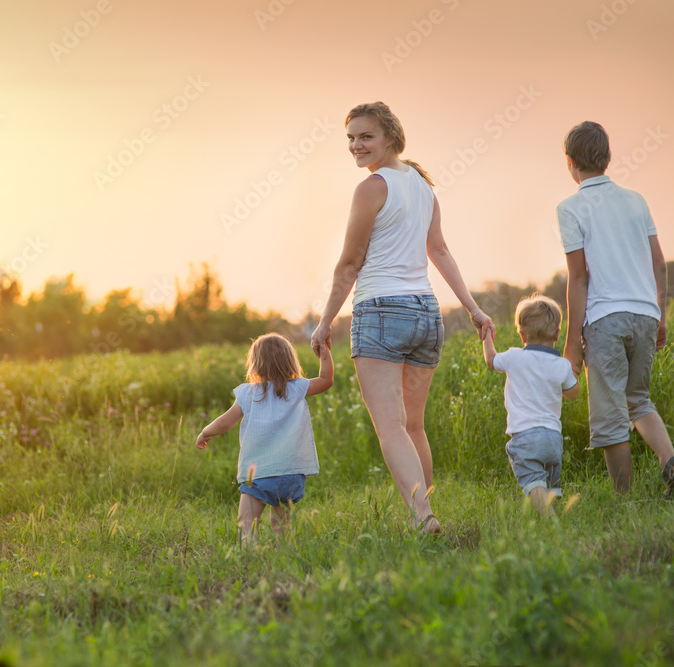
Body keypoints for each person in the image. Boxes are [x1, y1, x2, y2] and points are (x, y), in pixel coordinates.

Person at [310, 102, 494, 535]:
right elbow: (440, 251)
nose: (356, 145)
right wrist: (472, 308)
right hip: (426, 313)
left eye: (365, 136)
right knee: (413, 425)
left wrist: (324, 322)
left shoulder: (372, 187)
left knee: (391, 426)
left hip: (380, 312)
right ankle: (429, 514)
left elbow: (350, 264)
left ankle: (424, 518)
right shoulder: (423, 186)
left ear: (390, 137)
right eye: (351, 138)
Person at [558, 120, 674, 498]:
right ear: (608, 157)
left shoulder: (570, 208)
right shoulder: (636, 200)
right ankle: (673, 462)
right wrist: (659, 315)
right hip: (644, 314)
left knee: (607, 415)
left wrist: (572, 343)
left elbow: (579, 277)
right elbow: (660, 264)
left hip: (605, 321)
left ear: (569, 162)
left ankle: (624, 503)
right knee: (638, 400)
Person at [196, 333, 333, 544]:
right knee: (283, 523)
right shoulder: (297, 388)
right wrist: (325, 353)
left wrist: (205, 433)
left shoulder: (248, 394)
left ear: (255, 364)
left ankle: (249, 556)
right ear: (290, 361)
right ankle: (284, 553)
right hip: (291, 473)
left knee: (248, 523)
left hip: (259, 475)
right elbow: (326, 380)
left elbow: (225, 422)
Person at [482, 295, 579, 514]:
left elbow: (491, 360)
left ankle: (550, 523)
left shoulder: (514, 357)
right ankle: (552, 519)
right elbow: (573, 393)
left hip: (525, 436)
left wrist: (487, 336)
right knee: (549, 486)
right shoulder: (562, 365)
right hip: (554, 438)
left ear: (522, 335)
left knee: (534, 482)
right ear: (557, 333)